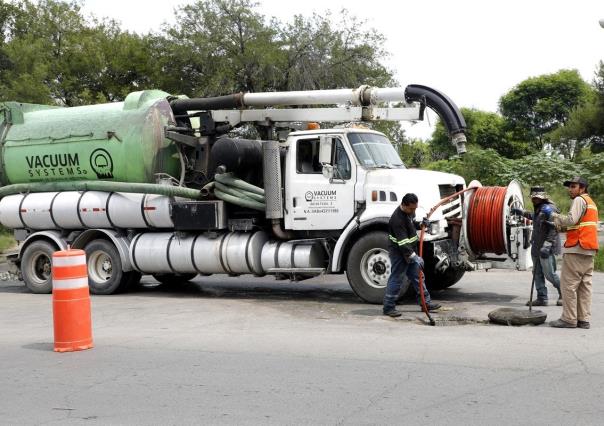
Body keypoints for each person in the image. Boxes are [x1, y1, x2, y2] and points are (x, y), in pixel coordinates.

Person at [546, 177, 599, 329]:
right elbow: (579, 224)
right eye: (569, 187)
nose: (570, 189)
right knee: (584, 286)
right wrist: (559, 226)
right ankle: (583, 319)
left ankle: (569, 319)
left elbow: (571, 219)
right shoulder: (591, 203)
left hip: (576, 248)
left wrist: (554, 216)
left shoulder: (579, 200)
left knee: (568, 285)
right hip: (588, 249)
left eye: (573, 186)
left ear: (582, 188)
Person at [383, 193, 441, 317]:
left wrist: (421, 225)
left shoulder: (409, 212)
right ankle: (388, 307)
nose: (413, 211)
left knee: (418, 276)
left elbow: (411, 225)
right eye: (411, 209)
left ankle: (426, 303)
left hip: (409, 250)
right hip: (399, 252)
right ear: (403, 205)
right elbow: (403, 244)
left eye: (415, 208)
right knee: (397, 278)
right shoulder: (397, 220)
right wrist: (415, 257)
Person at [511, 186, 562, 306]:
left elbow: (554, 228)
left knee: (550, 274)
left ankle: (564, 294)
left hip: (546, 248)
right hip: (537, 245)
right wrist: (522, 212)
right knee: (537, 273)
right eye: (533, 198)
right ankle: (542, 298)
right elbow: (535, 217)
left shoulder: (550, 209)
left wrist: (547, 245)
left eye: (537, 198)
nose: (534, 200)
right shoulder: (540, 208)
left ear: (543, 197)